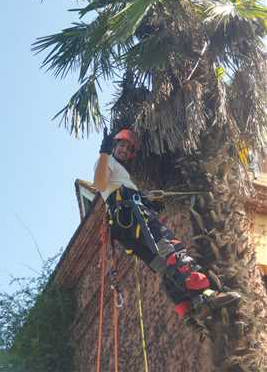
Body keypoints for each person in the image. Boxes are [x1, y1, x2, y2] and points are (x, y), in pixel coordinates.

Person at [94, 128, 241, 319]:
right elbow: (99, 185)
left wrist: (148, 202)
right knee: (173, 250)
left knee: (164, 264)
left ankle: (187, 307)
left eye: (129, 149)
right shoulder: (107, 161)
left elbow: (119, 193)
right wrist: (104, 153)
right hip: (133, 217)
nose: (124, 150)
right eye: (122, 145)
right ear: (114, 145)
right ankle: (207, 295)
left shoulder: (120, 173)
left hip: (126, 225)